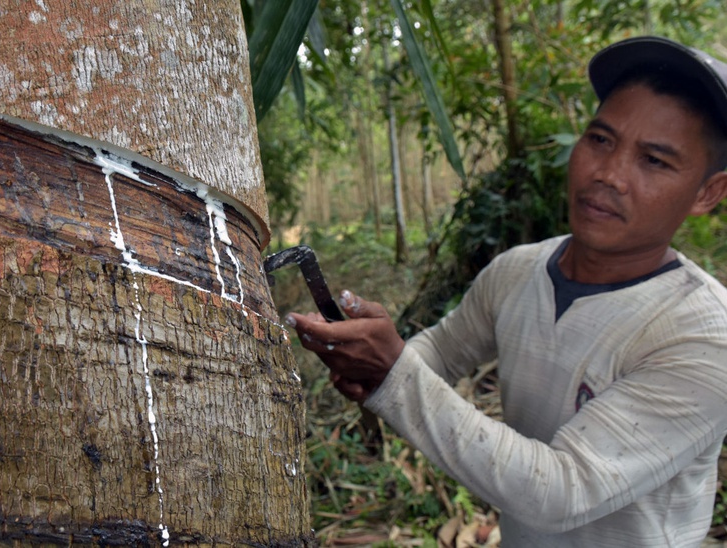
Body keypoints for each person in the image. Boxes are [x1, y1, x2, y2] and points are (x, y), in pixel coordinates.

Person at [286, 36, 727, 547]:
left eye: (653, 160)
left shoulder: (704, 337)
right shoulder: (518, 271)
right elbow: (439, 352)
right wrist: (369, 361)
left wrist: (395, 376)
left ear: (707, 192)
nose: (608, 174)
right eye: (600, 140)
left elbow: (562, 490)